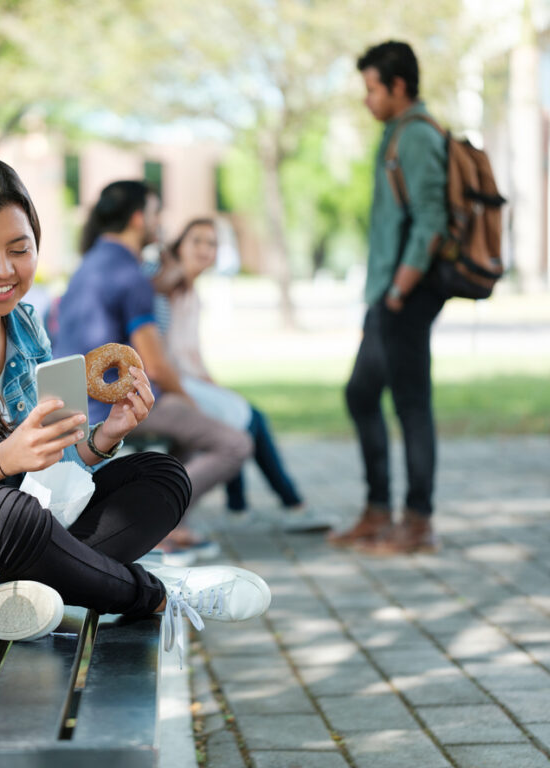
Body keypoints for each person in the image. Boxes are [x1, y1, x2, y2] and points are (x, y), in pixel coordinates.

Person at [0, 158, 270, 649]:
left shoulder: (24, 325)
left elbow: (51, 469)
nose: (4, 270)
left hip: (1, 528)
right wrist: (1, 460)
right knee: (4, 511)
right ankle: (160, 593)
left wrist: (104, 439)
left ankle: (15, 595)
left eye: (20, 249)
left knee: (162, 476)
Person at [52, 181, 253, 561]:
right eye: (156, 212)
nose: (160, 222)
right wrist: (188, 398)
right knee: (234, 443)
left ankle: (172, 524)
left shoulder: (90, 262)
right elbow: (155, 364)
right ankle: (156, 526)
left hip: (77, 402)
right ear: (139, 217)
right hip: (112, 410)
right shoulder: (131, 274)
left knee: (190, 437)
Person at [328, 41, 448, 554]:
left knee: (411, 405)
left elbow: (432, 217)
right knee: (361, 393)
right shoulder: (397, 134)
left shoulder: (417, 136)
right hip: (388, 295)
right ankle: (379, 511)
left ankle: (417, 522)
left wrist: (398, 289)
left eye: (373, 88)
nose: (367, 99)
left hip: (408, 294)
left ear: (399, 86)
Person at [151, 217, 307, 516]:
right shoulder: (169, 284)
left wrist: (214, 385)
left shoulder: (193, 295)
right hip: (173, 384)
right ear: (179, 245)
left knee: (246, 416)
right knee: (248, 421)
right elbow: (164, 352)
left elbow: (193, 355)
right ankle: (286, 501)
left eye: (211, 243)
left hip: (191, 380)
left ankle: (245, 505)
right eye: (196, 241)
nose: (204, 249)